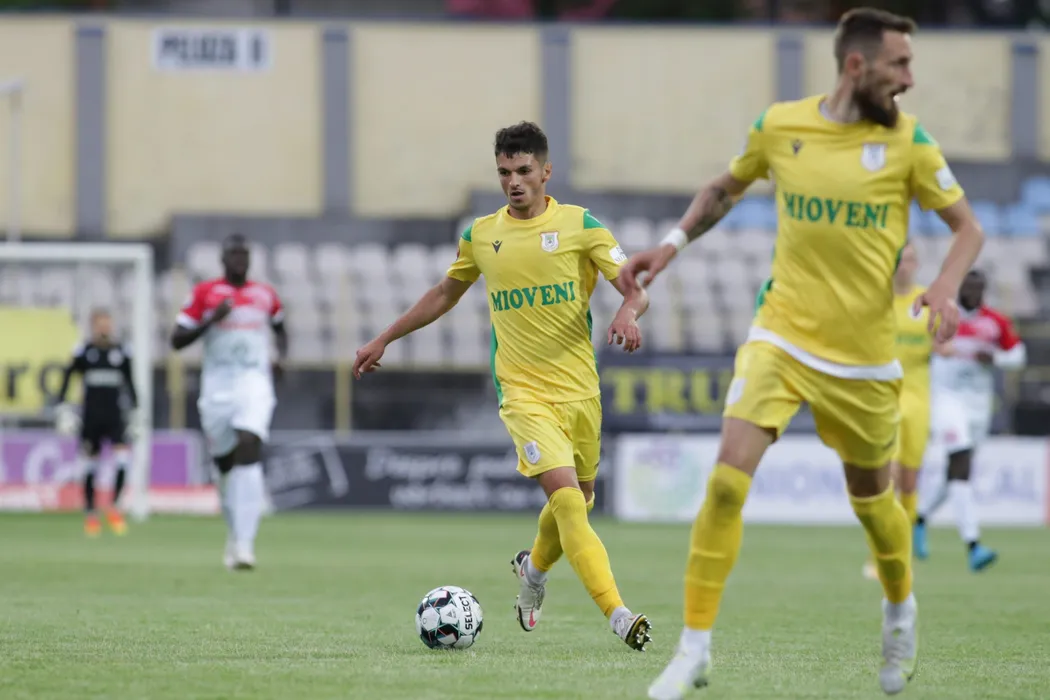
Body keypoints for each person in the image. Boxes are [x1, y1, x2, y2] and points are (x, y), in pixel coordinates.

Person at [623, 9, 985, 698]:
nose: (909, 78)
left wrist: (943, 284)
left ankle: (900, 609)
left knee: (874, 506)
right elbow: (724, 188)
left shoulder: (909, 143)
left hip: (864, 359)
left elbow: (967, 228)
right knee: (725, 484)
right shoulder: (781, 126)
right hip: (782, 335)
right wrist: (669, 246)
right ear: (857, 66)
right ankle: (693, 648)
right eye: (899, 64)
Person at [353, 121, 654, 651]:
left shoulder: (581, 225)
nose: (513, 181)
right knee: (567, 501)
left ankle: (533, 571)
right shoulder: (481, 235)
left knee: (579, 501)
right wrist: (385, 338)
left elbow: (635, 288)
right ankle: (618, 613)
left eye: (522, 171)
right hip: (522, 394)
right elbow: (444, 293)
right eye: (504, 173)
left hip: (581, 392)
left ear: (545, 171)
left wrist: (628, 312)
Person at [171, 234, 287, 571]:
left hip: (254, 380)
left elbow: (280, 328)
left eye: (244, 254)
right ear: (223, 260)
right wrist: (211, 319)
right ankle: (235, 533)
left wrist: (281, 357)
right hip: (217, 386)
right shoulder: (205, 293)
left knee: (249, 443)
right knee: (224, 464)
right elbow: (176, 340)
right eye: (234, 254)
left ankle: (246, 544)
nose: (240, 260)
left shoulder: (265, 294)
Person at [913, 269, 1025, 571]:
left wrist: (996, 359)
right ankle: (973, 544)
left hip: (978, 404)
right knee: (961, 464)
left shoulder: (995, 321)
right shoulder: (944, 315)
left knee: (956, 471)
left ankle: (919, 519)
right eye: (969, 287)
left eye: (979, 288)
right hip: (946, 399)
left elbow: (1018, 355)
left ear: (984, 290)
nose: (973, 293)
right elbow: (919, 343)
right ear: (960, 288)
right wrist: (935, 348)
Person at [861, 242, 947, 580]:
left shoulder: (927, 302)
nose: (905, 265)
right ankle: (877, 558)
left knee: (910, 482)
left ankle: (903, 555)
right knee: (888, 478)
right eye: (900, 259)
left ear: (917, 263)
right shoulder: (877, 302)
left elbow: (943, 343)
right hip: (885, 397)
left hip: (919, 398)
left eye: (911, 259)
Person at [55, 309, 138, 537]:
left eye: (107, 324)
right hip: (91, 417)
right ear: (93, 327)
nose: (104, 329)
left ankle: (114, 507)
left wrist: (136, 412)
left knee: (123, 459)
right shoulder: (84, 351)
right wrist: (62, 406)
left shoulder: (121, 352)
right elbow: (67, 376)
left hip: (115, 416)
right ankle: (91, 514)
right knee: (90, 464)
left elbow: (130, 382)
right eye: (100, 325)